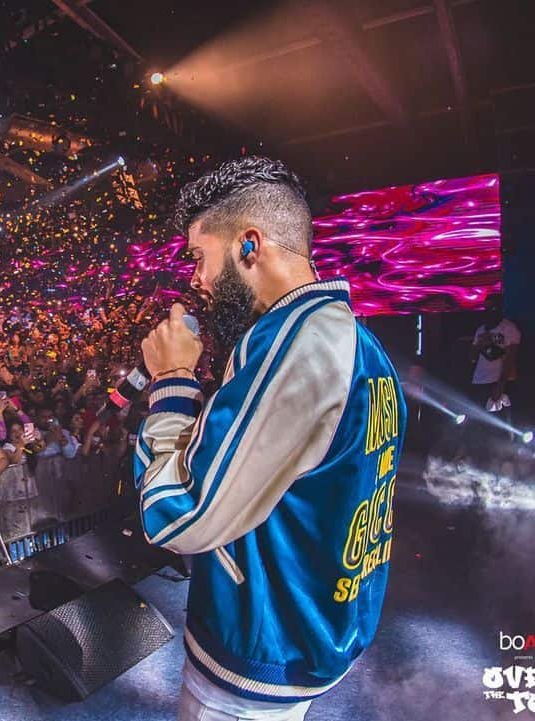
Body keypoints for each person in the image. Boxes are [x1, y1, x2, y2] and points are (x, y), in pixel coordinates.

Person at [135, 156, 407, 720]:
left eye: (199, 256)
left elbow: (179, 514)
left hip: (259, 650)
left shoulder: (296, 344)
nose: (196, 279)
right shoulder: (361, 344)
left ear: (249, 244)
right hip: (311, 627)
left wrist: (172, 379)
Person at [470, 294, 520, 415]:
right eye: (486, 308)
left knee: (502, 418)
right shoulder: (481, 330)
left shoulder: (508, 328)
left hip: (499, 381)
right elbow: (472, 358)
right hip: (480, 380)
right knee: (479, 418)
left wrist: (501, 385)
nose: (488, 311)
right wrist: (480, 344)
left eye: (492, 307)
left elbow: (510, 358)